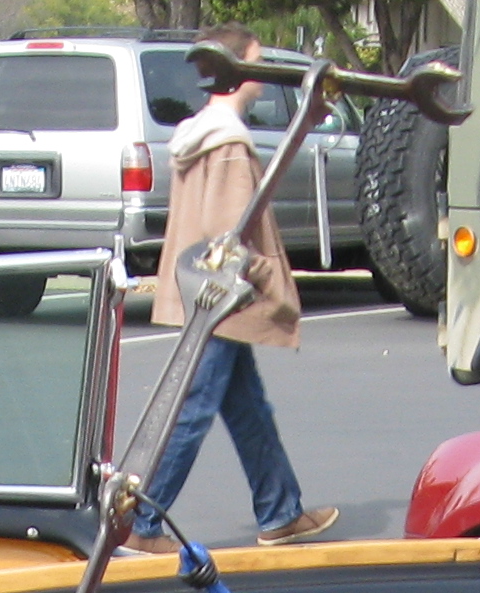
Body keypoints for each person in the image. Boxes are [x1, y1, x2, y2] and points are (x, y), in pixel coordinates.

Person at [127, 28, 337, 552]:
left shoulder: (203, 134)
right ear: (237, 70)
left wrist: (306, 123)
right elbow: (228, 234)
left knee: (247, 409)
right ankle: (141, 523)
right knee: (194, 408)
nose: (263, 74)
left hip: (209, 294)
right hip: (221, 296)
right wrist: (271, 283)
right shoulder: (228, 144)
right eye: (257, 62)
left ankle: (280, 511)